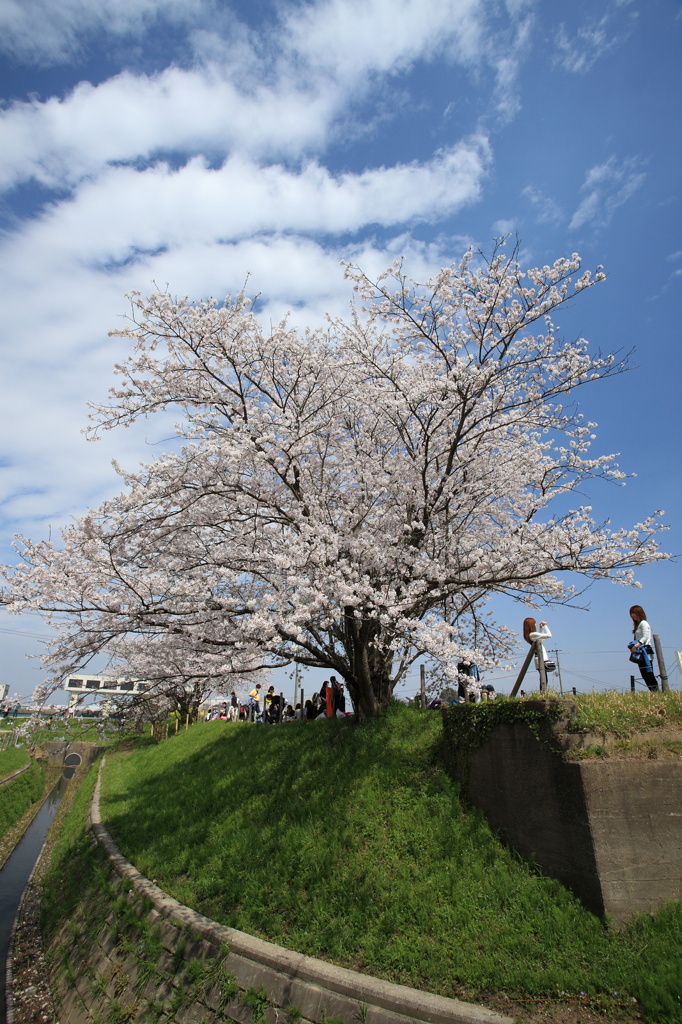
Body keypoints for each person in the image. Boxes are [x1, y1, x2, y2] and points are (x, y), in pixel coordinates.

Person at [628, 605, 658, 691]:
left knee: (648, 672)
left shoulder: (644, 623)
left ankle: (655, 691)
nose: (632, 615)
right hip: (640, 651)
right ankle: (653, 691)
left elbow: (645, 637)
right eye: (631, 613)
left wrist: (636, 646)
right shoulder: (638, 625)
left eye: (634, 613)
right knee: (644, 673)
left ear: (639, 613)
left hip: (645, 650)